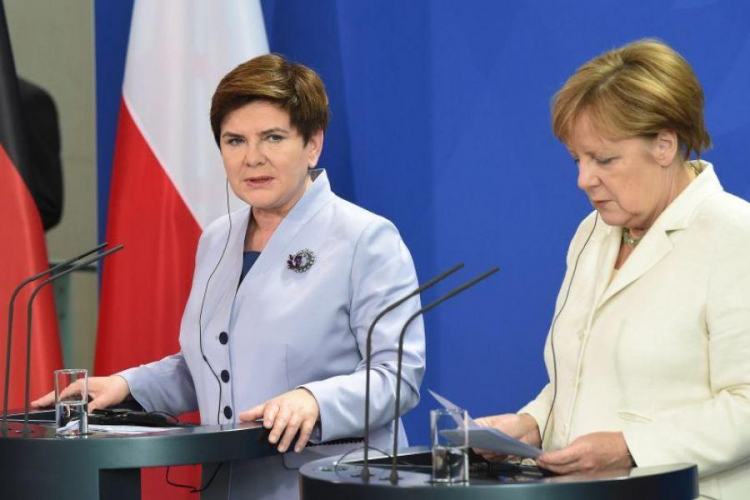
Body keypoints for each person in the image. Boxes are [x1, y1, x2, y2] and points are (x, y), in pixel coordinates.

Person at [33, 54, 426, 499]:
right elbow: (209, 365)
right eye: (234, 140)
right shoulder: (218, 238)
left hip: (330, 483)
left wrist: (315, 400)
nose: (252, 158)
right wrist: (127, 385)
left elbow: (398, 375)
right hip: (228, 483)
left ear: (313, 144)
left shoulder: (364, 238)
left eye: (273, 138)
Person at [476, 39, 750, 499]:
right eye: (576, 160)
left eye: (604, 160)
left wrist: (631, 448)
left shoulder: (734, 233)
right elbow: (583, 375)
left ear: (664, 144)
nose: (584, 180)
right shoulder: (593, 233)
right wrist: (533, 423)